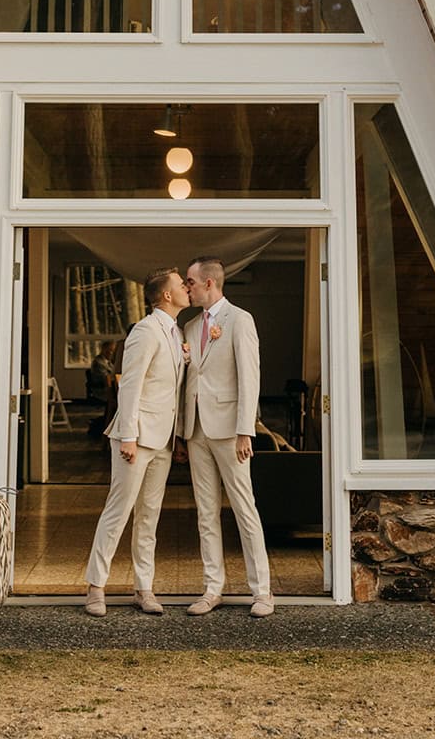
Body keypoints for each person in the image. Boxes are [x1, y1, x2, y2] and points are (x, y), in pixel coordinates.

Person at [84, 267, 189, 616]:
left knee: (150, 516)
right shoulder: (145, 331)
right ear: (167, 296)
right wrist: (127, 435)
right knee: (119, 511)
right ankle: (95, 587)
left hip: (163, 439)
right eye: (180, 285)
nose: (187, 289)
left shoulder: (175, 332)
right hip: (136, 437)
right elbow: (130, 384)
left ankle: (144, 588)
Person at [182, 255, 274, 617]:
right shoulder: (190, 326)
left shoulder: (240, 320)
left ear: (209, 283)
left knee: (243, 508)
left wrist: (244, 431)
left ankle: (262, 592)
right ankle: (212, 587)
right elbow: (190, 377)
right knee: (205, 512)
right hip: (196, 429)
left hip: (229, 430)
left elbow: (250, 377)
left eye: (190, 282)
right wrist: (181, 432)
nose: (186, 288)